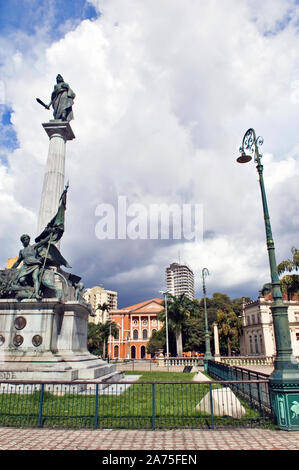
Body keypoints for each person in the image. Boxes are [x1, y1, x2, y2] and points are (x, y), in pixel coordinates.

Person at [12, 233, 52, 300]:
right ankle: (29, 289)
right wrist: (12, 268)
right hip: (26, 267)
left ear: (29, 240)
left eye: (26, 239)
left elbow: (43, 242)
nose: (25, 241)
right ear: (22, 241)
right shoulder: (22, 251)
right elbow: (18, 261)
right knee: (21, 279)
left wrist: (50, 236)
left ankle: (36, 294)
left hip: (35, 265)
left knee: (35, 278)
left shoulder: (34, 246)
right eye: (24, 240)